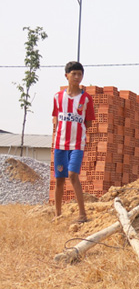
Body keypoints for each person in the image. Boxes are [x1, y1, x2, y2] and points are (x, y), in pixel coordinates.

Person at [52, 61, 95, 223]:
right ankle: (57, 214)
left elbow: (89, 122)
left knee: (72, 175)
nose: (77, 77)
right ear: (66, 76)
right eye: (74, 74)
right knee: (59, 179)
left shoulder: (86, 99)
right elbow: (55, 118)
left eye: (80, 74)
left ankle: (82, 214)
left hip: (77, 144)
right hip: (60, 144)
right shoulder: (58, 97)